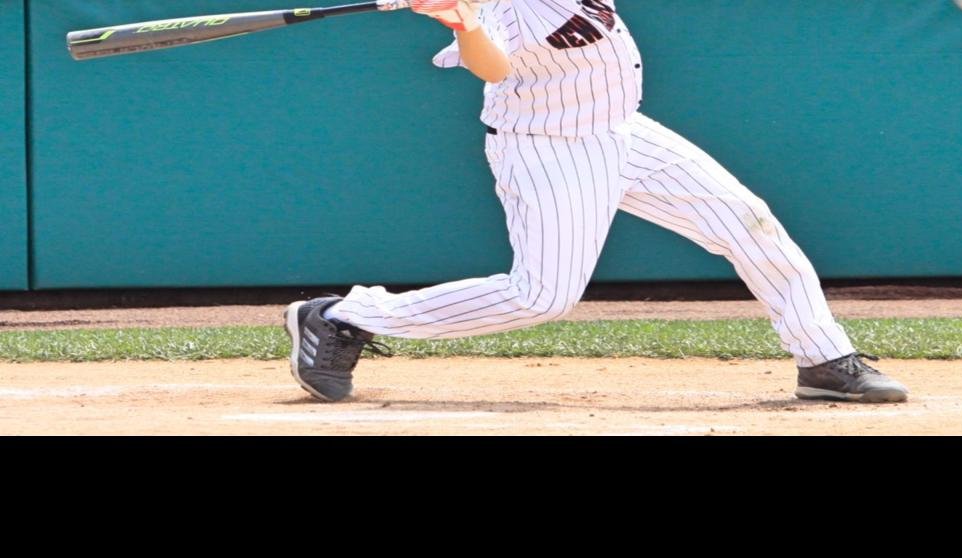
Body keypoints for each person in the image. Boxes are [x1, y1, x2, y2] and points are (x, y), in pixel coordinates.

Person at [284, 0, 908, 404]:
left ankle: (824, 360)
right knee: (542, 296)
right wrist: (464, 21)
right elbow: (493, 66)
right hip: (549, 147)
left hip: (622, 129)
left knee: (751, 225)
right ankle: (344, 316)